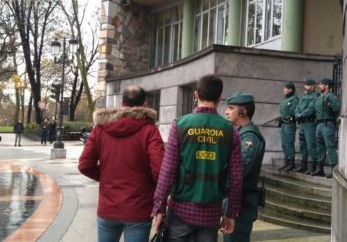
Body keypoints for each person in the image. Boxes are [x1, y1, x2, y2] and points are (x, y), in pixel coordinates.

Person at [151, 74, 243, 242]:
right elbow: (236, 179)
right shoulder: (231, 131)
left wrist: (159, 208)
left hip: (180, 209)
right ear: (220, 97)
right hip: (211, 213)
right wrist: (231, 213)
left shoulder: (180, 125)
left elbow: (168, 171)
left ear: (196, 95)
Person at [78, 85, 165, 242]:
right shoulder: (150, 130)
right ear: (144, 104)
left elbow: (85, 165)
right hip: (138, 209)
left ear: (121, 104)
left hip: (108, 209)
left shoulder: (100, 129)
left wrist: (106, 177)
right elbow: (160, 171)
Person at [223, 91, 265, 242]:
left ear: (243, 112)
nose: (226, 111)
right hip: (234, 204)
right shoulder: (239, 133)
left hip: (241, 206)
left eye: (231, 107)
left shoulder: (249, 137)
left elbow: (238, 172)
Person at [312, 78, 341, 178]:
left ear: (327, 86)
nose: (319, 86)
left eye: (321, 84)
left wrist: (329, 103)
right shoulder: (319, 97)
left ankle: (334, 171)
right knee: (320, 147)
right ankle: (320, 169)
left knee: (330, 147)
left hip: (327, 124)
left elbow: (337, 108)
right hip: (319, 125)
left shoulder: (331, 96)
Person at [294, 79, 319, 174]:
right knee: (302, 145)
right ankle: (303, 166)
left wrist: (300, 115)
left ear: (313, 86)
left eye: (308, 85)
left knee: (311, 145)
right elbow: (297, 108)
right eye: (305, 85)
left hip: (310, 124)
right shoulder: (303, 97)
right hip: (302, 124)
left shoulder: (315, 96)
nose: (306, 87)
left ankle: (313, 167)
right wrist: (296, 114)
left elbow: (311, 109)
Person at [277, 82, 298, 171]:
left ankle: (291, 163)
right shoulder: (284, 100)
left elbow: (295, 111)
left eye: (285, 88)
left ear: (290, 89)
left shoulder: (294, 99)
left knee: (289, 143)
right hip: (283, 124)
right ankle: (287, 162)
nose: (283, 90)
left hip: (290, 124)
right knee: (284, 144)